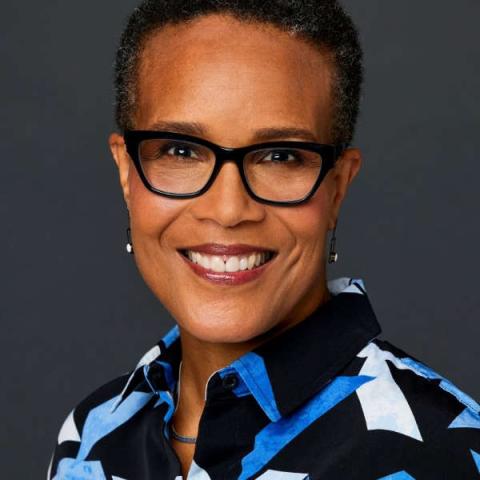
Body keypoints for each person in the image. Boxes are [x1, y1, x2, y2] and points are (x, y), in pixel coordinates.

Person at [47, 1, 480, 479]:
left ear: (337, 188)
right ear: (128, 177)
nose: (228, 209)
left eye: (279, 156)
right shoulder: (91, 437)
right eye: (180, 150)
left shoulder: (442, 455)